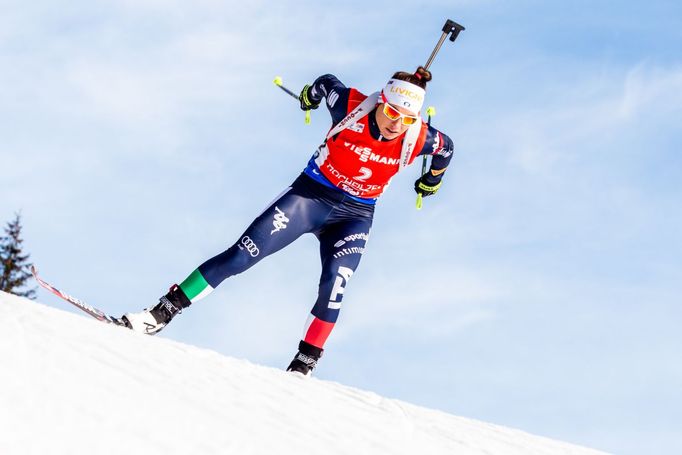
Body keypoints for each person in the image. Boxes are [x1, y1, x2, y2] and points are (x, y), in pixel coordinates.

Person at [121, 66, 455, 376]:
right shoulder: (350, 106)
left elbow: (446, 149)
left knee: (334, 287)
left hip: (354, 215)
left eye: (407, 119)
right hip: (310, 198)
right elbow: (327, 82)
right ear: (381, 101)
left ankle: (303, 365)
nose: (397, 124)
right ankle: (161, 312)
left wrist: (432, 181)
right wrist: (311, 95)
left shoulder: (420, 138)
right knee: (242, 255)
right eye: (393, 112)